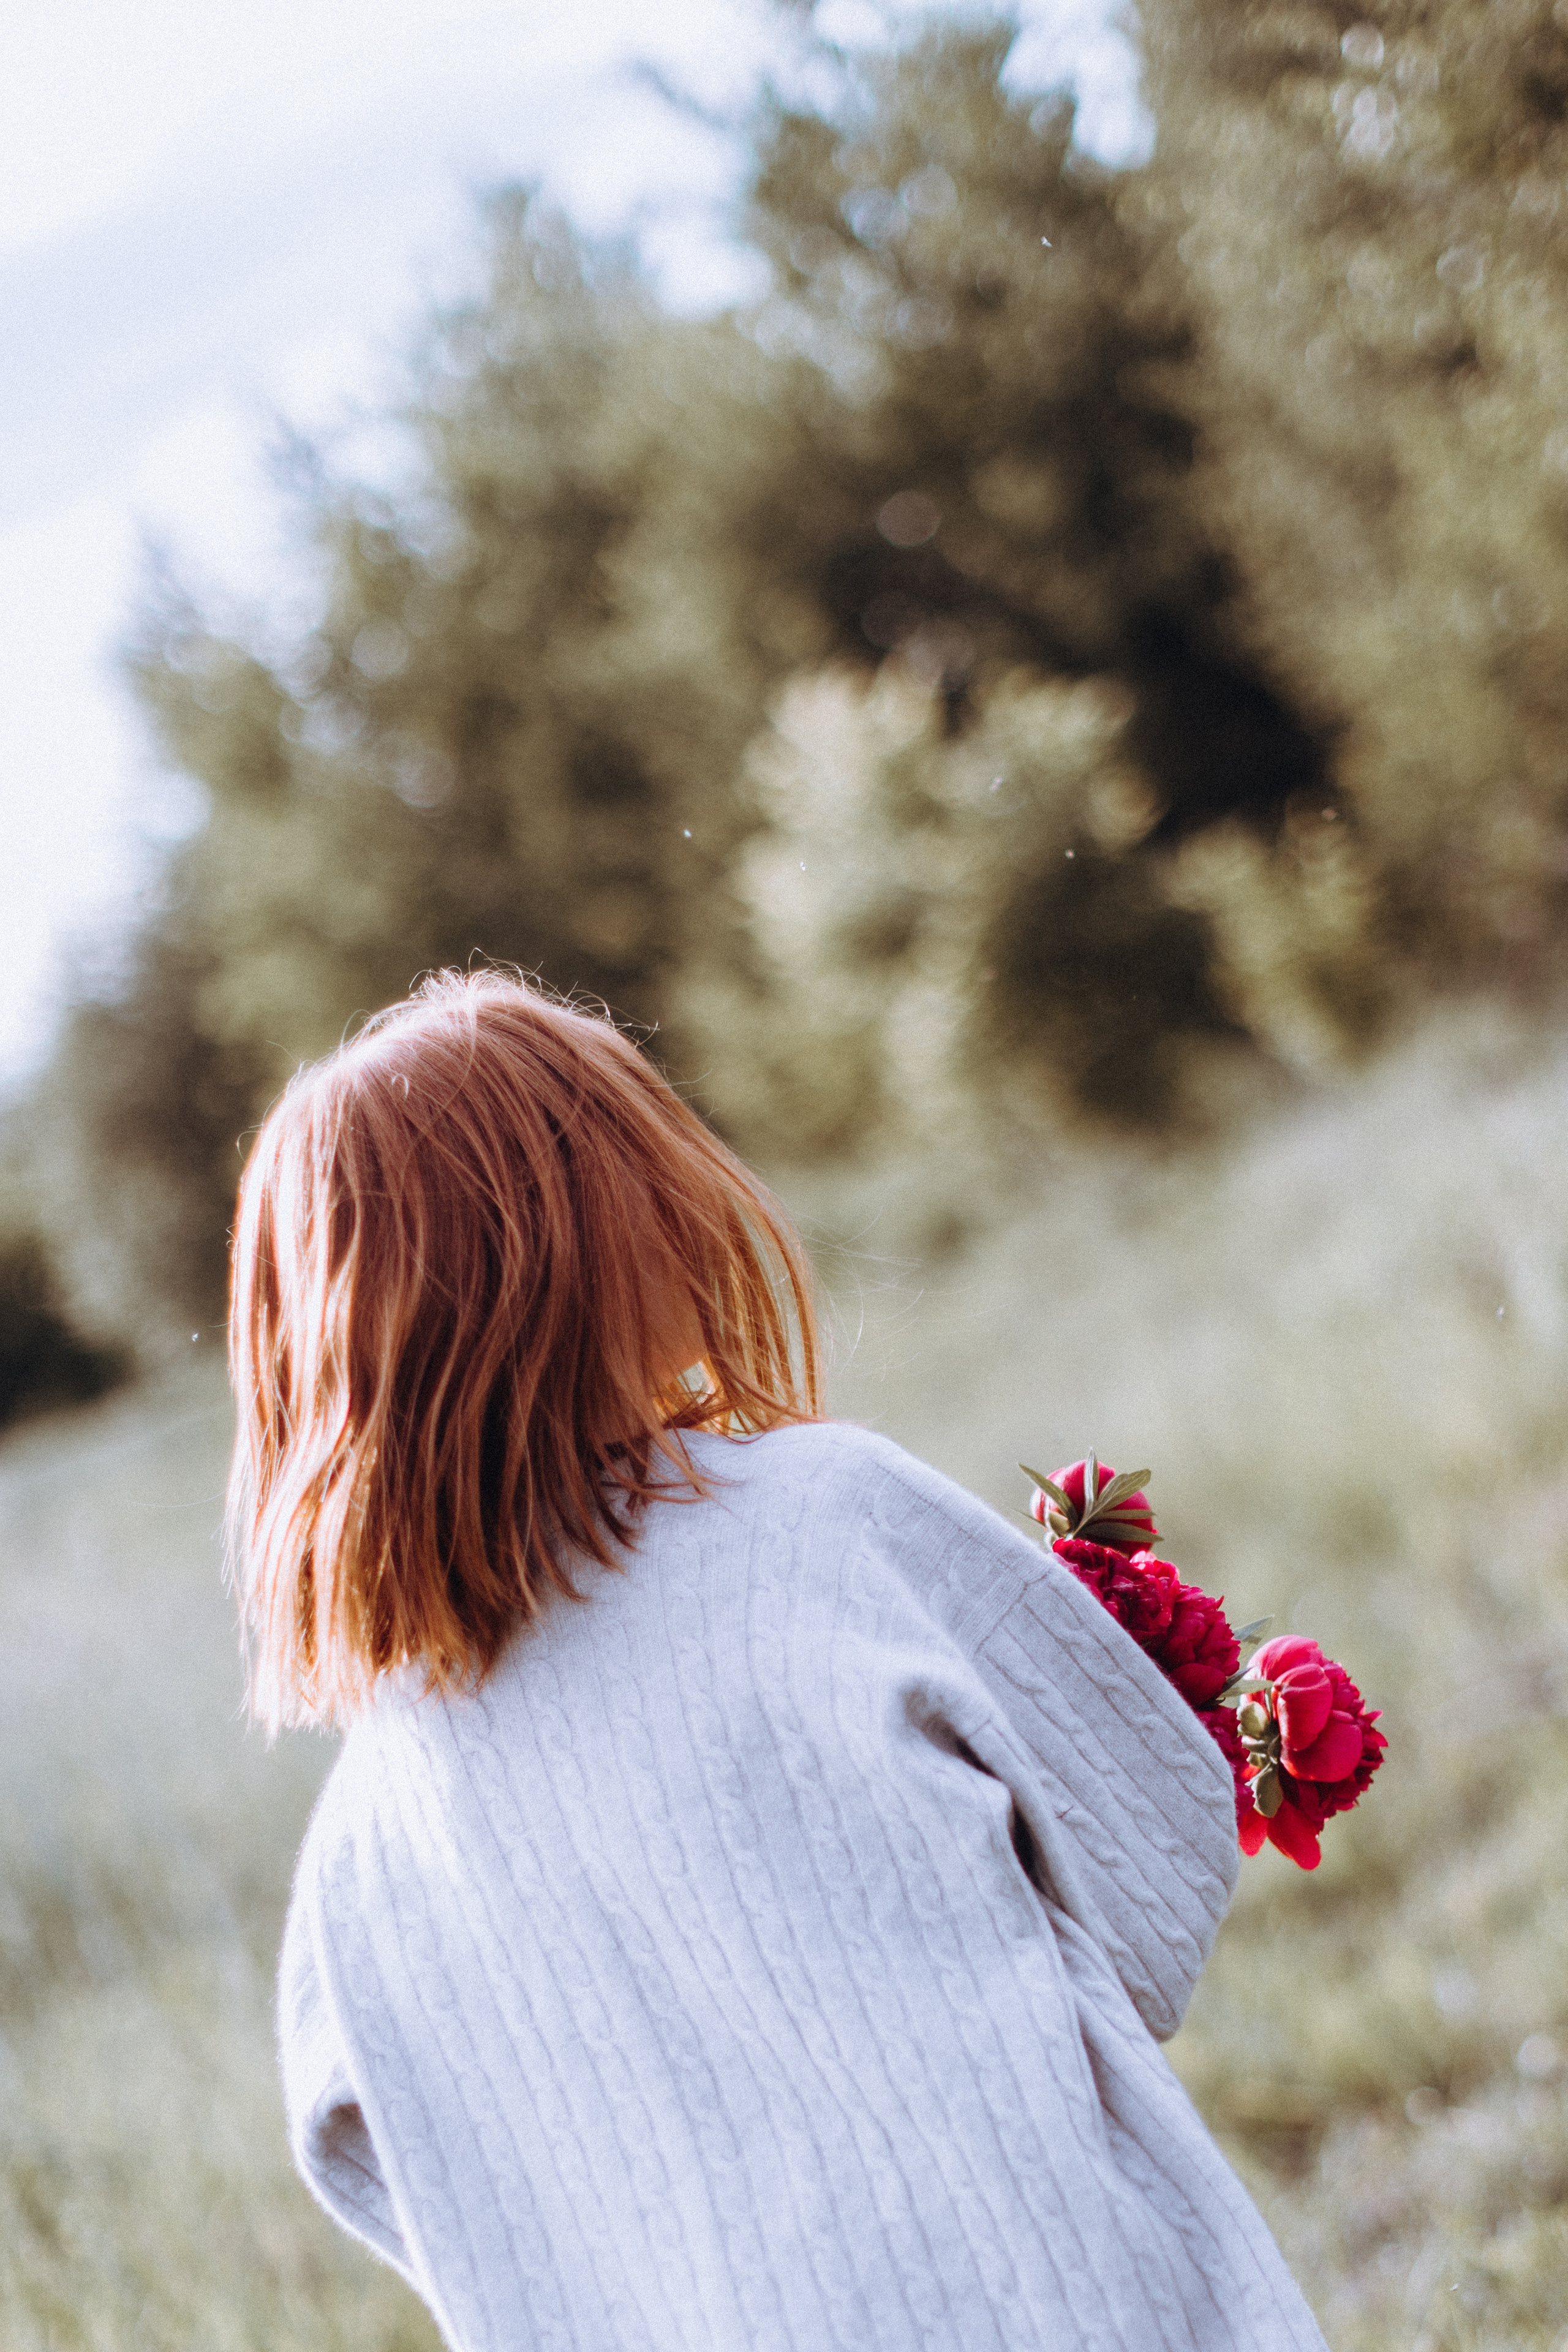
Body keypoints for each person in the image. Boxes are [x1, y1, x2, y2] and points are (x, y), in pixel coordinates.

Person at [228, 968, 1329, 2352]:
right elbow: (1157, 1843)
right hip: (1049, 2297)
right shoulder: (826, 1520)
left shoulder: (354, 1858)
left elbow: (393, 2183)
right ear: (621, 1228)